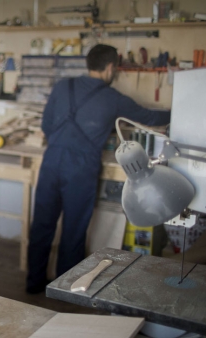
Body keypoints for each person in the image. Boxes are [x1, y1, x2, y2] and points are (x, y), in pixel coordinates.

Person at [26, 44, 170, 293]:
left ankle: (33, 284)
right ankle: (64, 290)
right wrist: (178, 111)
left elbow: (46, 126)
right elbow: (149, 117)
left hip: (51, 161)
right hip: (81, 167)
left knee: (42, 225)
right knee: (73, 231)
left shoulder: (62, 87)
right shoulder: (112, 98)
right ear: (111, 67)